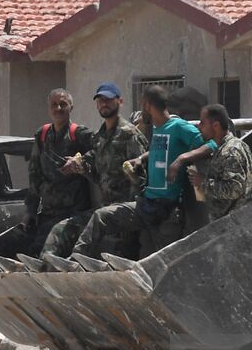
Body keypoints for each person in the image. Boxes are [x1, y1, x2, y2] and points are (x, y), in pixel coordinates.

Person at [74, 84, 204, 259]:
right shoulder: (157, 128)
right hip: (146, 205)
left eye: (143, 106)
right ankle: (76, 258)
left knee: (163, 262)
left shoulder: (179, 127)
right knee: (102, 216)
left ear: (148, 105)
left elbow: (209, 144)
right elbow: (161, 149)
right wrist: (141, 158)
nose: (141, 112)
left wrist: (181, 159)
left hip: (168, 211)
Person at [43, 81, 147, 257]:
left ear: (120, 102)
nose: (104, 104)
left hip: (125, 210)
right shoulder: (100, 138)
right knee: (61, 229)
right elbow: (97, 173)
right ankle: (46, 265)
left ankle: (75, 260)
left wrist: (130, 216)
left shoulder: (129, 135)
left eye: (108, 100)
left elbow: (142, 178)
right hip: (105, 208)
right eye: (100, 100)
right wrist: (78, 166)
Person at [24, 89, 94, 258]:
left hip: (74, 214)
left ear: (71, 107)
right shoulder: (42, 135)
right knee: (28, 248)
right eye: (54, 105)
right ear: (49, 108)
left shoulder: (79, 134)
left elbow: (101, 149)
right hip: (48, 213)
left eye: (63, 104)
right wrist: (30, 210)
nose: (58, 108)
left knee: (49, 255)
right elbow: (34, 175)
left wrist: (79, 161)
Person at [167, 104, 252, 220]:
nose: (199, 127)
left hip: (237, 222)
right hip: (235, 220)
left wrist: (203, 182)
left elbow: (235, 189)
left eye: (202, 123)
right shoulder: (234, 146)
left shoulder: (230, 151)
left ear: (216, 125)